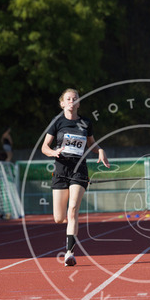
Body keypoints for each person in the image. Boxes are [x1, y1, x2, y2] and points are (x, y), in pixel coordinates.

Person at [41, 88, 109, 266]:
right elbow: (44, 147)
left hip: (79, 171)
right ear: (62, 103)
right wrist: (53, 152)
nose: (72, 101)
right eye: (68, 99)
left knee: (73, 210)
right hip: (61, 170)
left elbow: (91, 144)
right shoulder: (57, 122)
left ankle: (69, 253)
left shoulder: (85, 122)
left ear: (79, 103)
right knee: (59, 218)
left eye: (75, 99)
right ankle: (71, 223)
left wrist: (100, 150)